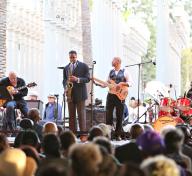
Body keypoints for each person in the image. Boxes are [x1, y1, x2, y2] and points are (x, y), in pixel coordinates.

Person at [97, 57, 132, 140]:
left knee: (120, 115)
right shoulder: (110, 71)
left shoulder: (125, 71)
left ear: (118, 62)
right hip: (110, 95)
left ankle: (118, 134)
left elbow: (130, 83)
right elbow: (106, 83)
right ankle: (109, 133)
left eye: (113, 60)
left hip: (120, 96)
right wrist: (98, 84)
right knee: (108, 114)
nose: (112, 61)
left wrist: (122, 83)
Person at [63, 50, 90, 133]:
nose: (72, 59)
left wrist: (77, 79)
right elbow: (64, 80)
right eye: (70, 57)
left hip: (81, 94)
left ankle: (83, 135)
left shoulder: (84, 66)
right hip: (70, 94)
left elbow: (88, 79)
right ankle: (72, 135)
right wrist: (65, 87)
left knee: (81, 115)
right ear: (69, 57)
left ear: (76, 56)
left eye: (73, 57)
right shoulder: (66, 67)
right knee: (71, 116)